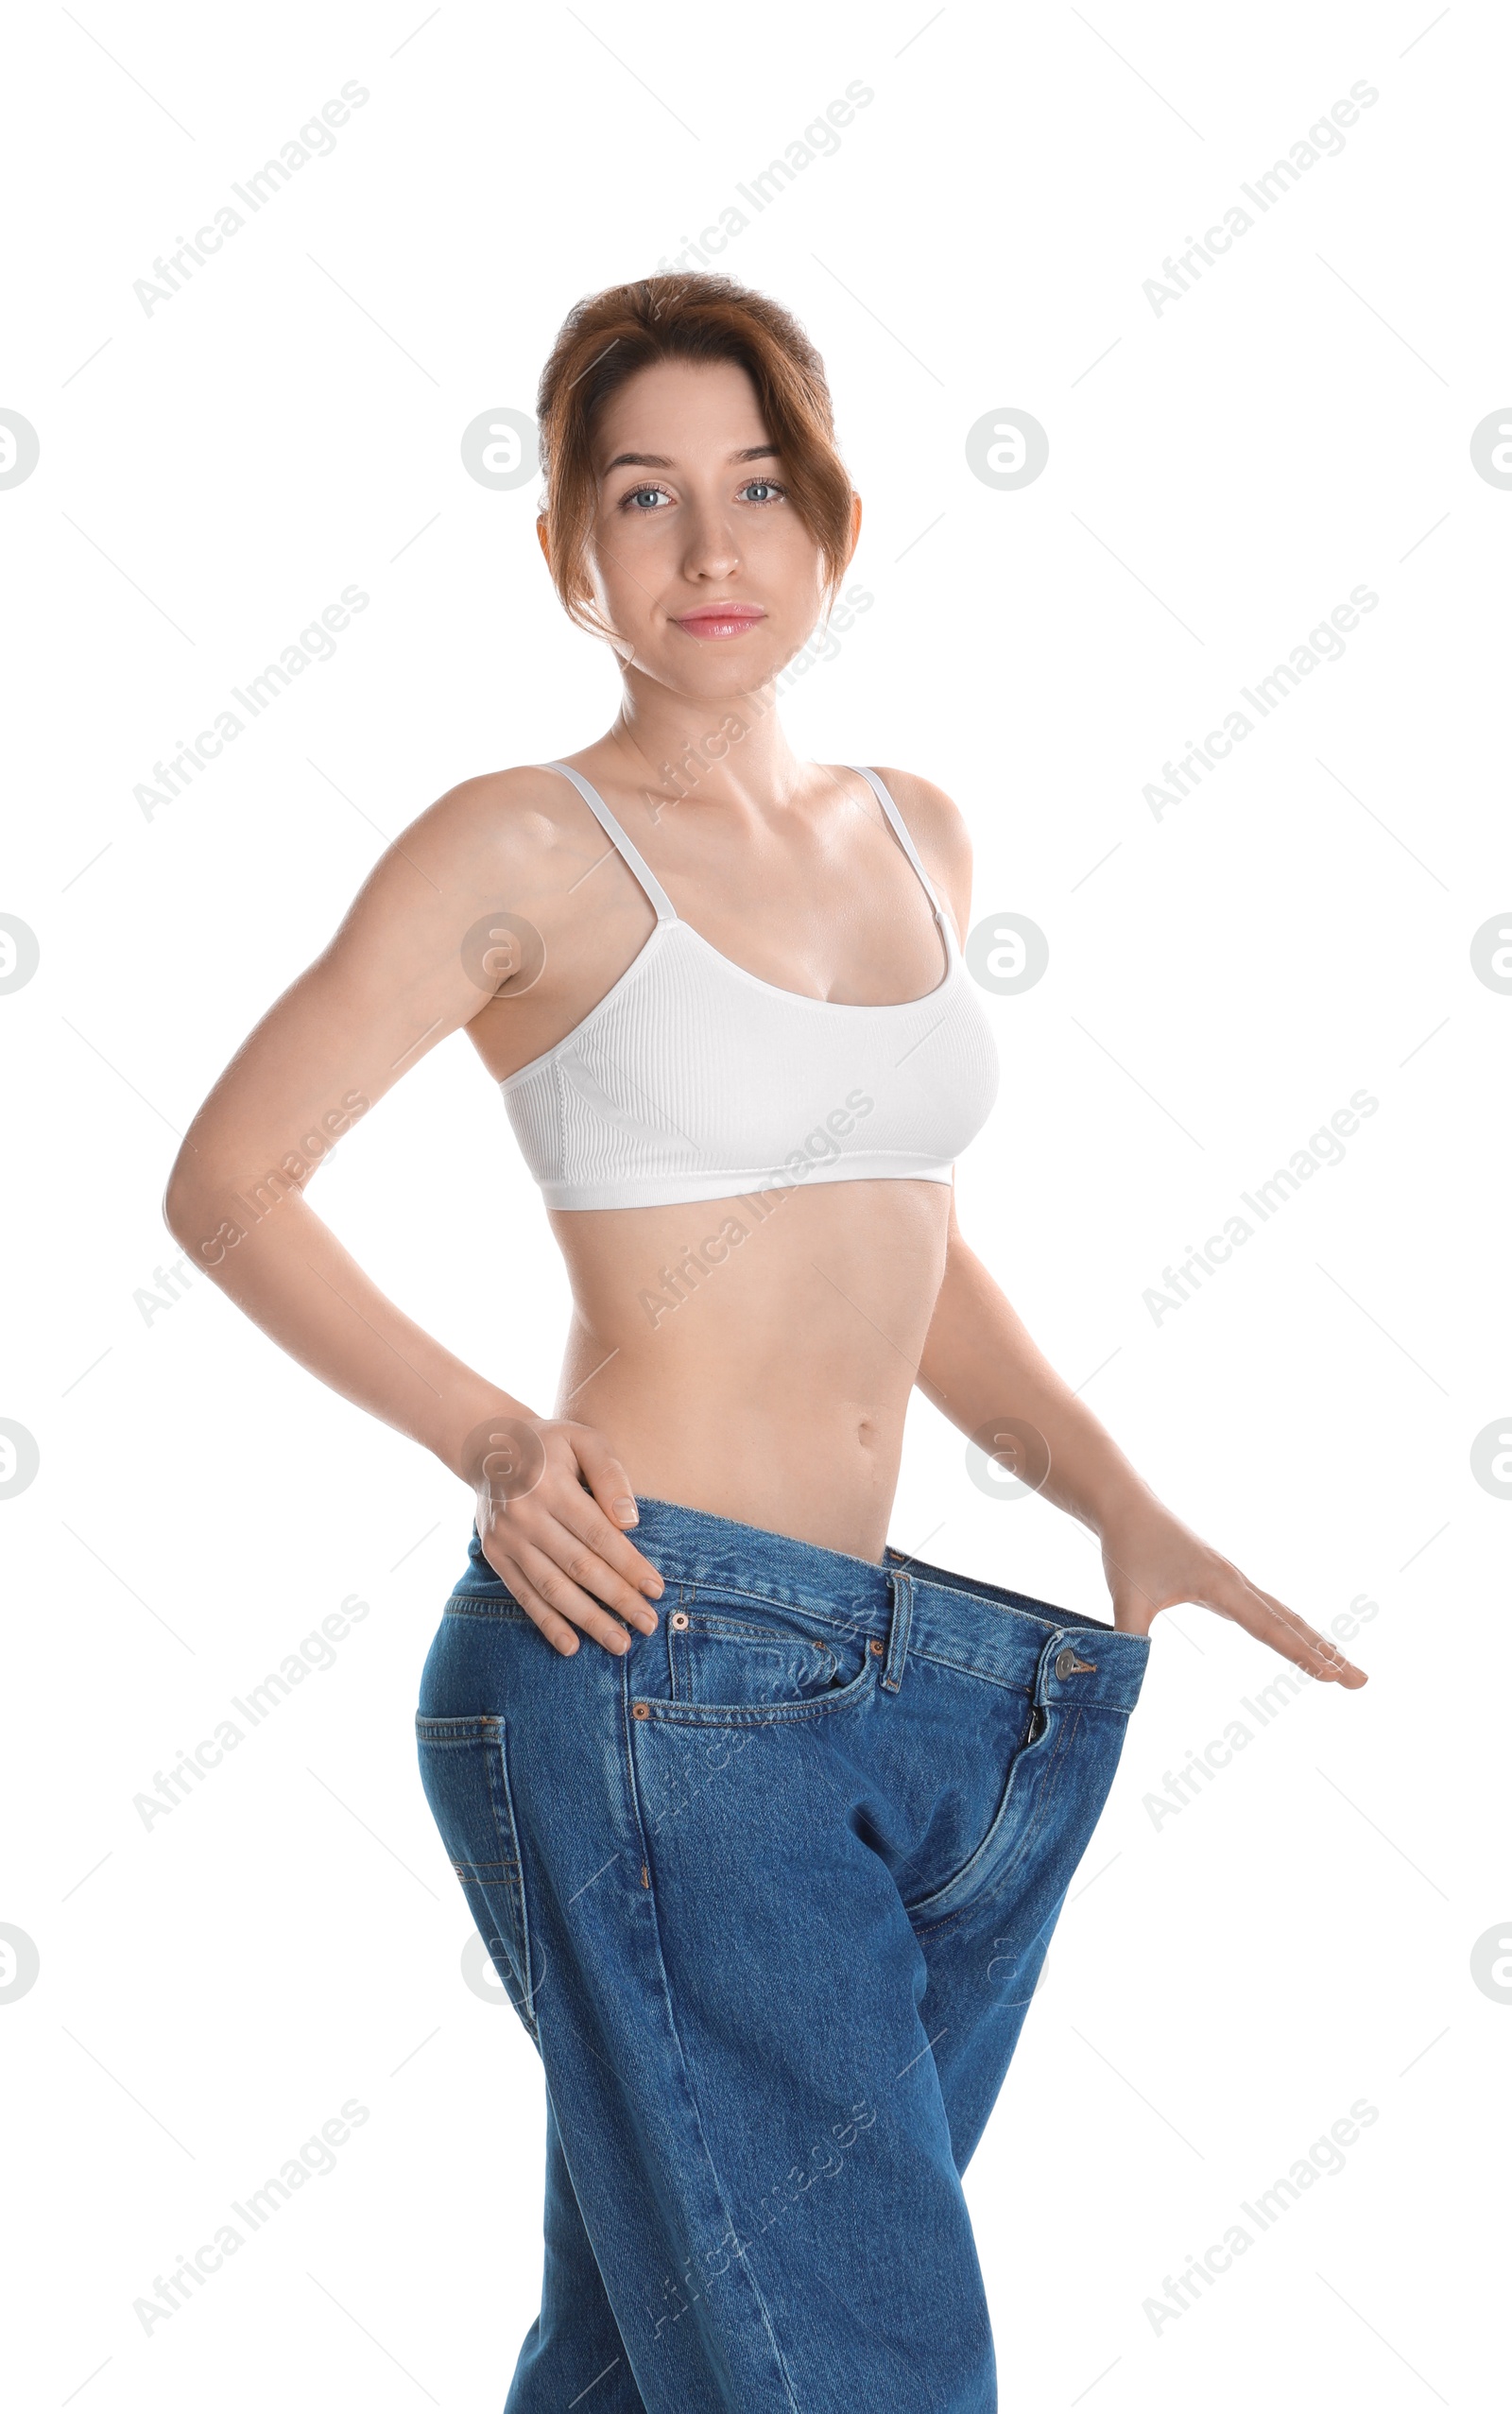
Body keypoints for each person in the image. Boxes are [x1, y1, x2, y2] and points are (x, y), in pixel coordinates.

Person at [164, 271, 1366, 2412]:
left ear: (824, 520)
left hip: (913, 1687)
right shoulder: (523, 842)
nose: (707, 550)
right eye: (641, 497)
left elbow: (900, 1239)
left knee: (670, 2356)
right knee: (858, 2363)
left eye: (752, 487)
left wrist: (1115, 1494)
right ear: (567, 549)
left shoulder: (915, 825)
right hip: (649, 1652)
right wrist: (493, 1442)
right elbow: (232, 1179)